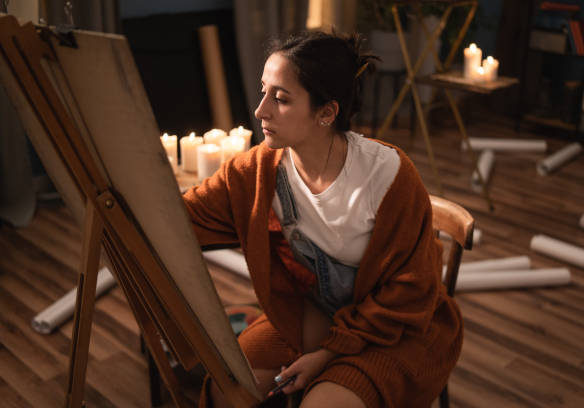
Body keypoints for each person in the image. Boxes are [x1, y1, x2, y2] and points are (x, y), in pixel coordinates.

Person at [183, 30, 463, 408]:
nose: (260, 110)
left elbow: (410, 293)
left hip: (394, 329)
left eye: (280, 99)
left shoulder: (387, 175)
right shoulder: (256, 170)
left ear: (327, 112)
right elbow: (181, 216)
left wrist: (329, 354)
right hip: (313, 318)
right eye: (263, 90)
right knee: (224, 389)